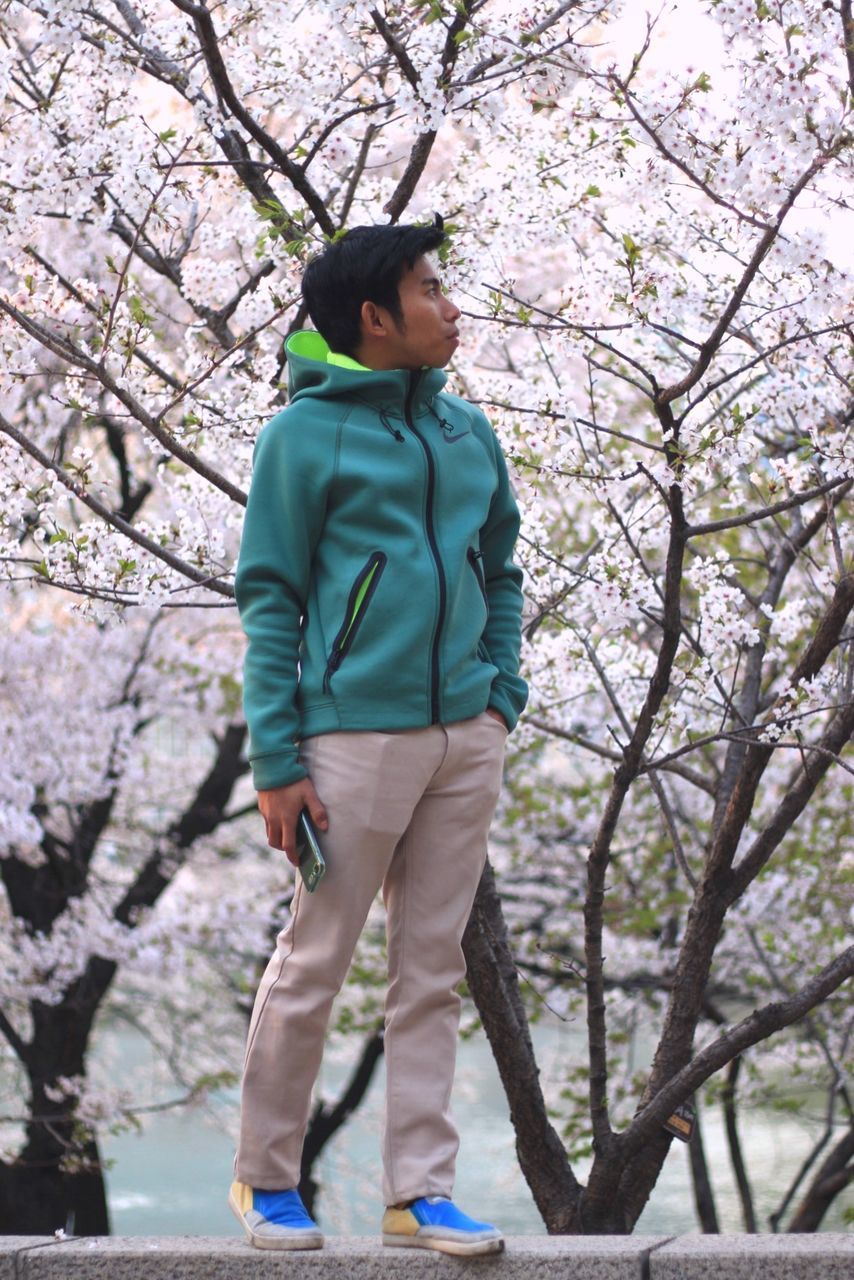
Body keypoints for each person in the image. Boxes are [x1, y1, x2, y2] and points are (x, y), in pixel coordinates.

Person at [228, 219, 527, 1257]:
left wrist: (501, 694)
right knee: (314, 958)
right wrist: (276, 758)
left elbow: (503, 565)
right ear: (373, 317)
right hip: (351, 737)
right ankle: (267, 1177)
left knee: (430, 964)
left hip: (463, 735)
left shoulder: (464, 433)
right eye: (429, 287)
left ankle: (420, 1190)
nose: (449, 305)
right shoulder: (299, 437)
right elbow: (269, 599)